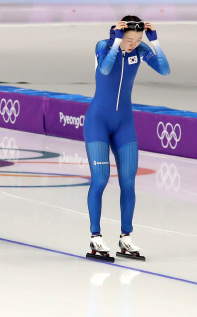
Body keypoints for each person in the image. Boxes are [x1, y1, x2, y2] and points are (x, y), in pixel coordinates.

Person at [84, 16, 170, 262]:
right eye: (129, 39)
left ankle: (125, 238)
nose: (133, 44)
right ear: (120, 33)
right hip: (98, 122)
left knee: (128, 183)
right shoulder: (104, 46)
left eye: (138, 40)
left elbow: (165, 70)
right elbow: (105, 69)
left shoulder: (141, 49)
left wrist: (155, 42)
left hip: (124, 124)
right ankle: (96, 236)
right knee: (100, 180)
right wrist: (116, 42)